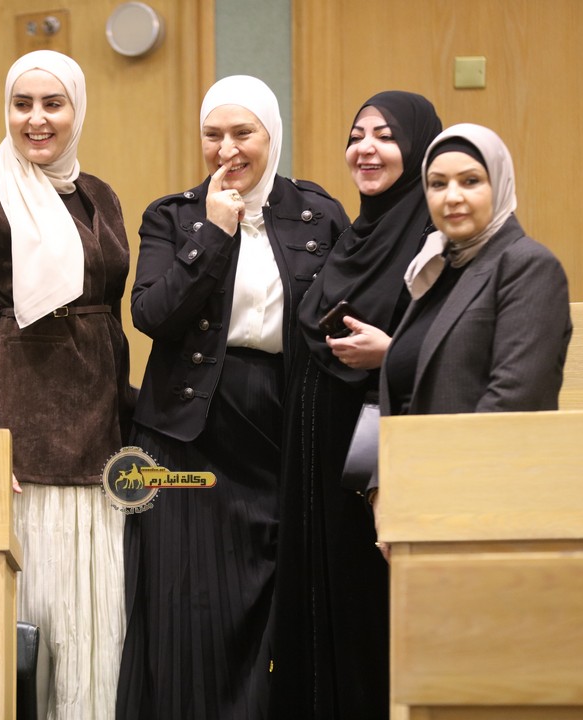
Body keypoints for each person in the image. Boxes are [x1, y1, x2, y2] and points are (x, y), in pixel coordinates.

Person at [117, 75, 349, 719]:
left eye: (243, 133)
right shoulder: (173, 216)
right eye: (212, 135)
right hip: (189, 435)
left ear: (272, 134)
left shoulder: (320, 214)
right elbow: (152, 316)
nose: (227, 149)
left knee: (283, 605)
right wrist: (215, 233)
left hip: (286, 423)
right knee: (190, 610)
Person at [0, 50, 133, 719]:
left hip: (98, 433)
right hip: (20, 442)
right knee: (33, 631)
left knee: (96, 631)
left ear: (78, 109)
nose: (36, 119)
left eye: (53, 103)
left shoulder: (100, 195)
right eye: (23, 104)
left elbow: (110, 318)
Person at [269, 91, 442, 719]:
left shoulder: (434, 241)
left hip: (380, 465)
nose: (366, 149)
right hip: (316, 462)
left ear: (419, 150)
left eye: (386, 136)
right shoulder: (351, 239)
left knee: (370, 614)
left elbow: (461, 347)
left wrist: (393, 353)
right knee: (320, 610)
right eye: (356, 136)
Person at [373, 122, 572, 506]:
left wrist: (444, 492)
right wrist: (381, 491)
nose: (452, 197)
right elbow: (403, 393)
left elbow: (513, 399)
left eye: (470, 181)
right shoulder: (436, 266)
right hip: (415, 495)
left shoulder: (527, 265)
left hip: (484, 498)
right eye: (437, 184)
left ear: (499, 185)